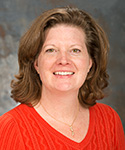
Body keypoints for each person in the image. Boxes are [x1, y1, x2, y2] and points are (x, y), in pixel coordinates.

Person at [0, 6, 124, 150]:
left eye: (75, 50)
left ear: (90, 62)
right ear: (36, 63)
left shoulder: (109, 121)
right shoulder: (11, 127)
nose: (63, 60)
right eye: (51, 50)